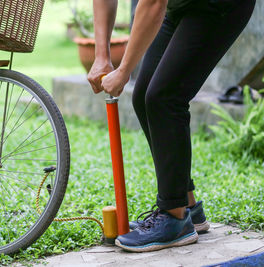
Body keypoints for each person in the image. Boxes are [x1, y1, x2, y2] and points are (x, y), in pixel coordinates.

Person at [88, 0, 255, 252]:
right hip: (178, 6)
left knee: (164, 98)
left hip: (219, 5)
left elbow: (153, 3)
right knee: (144, 95)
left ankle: (174, 218)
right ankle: (187, 206)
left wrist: (123, 71)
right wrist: (102, 56)